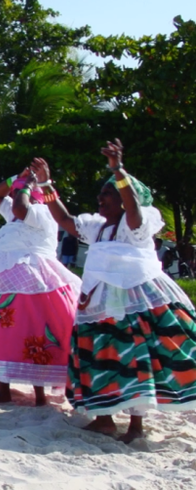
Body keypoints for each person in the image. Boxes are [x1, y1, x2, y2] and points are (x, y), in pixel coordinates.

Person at [37, 139, 196, 443]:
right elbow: (65, 220)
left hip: (138, 300)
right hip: (99, 301)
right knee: (100, 354)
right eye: (102, 193)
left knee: (136, 355)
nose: (100, 198)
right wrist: (46, 183)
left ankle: (136, 425)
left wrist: (118, 171)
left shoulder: (136, 224)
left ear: (124, 199)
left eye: (107, 193)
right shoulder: (98, 227)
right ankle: (105, 419)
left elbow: (134, 209)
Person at [0, 169, 81, 405]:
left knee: (33, 332)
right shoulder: (15, 215)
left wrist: (27, 185)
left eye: (20, 191)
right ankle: (4, 388)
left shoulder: (41, 212)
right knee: (5, 334)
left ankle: (39, 393)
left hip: (33, 284)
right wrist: (16, 177)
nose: (15, 194)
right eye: (16, 191)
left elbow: (20, 207)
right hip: (5, 284)